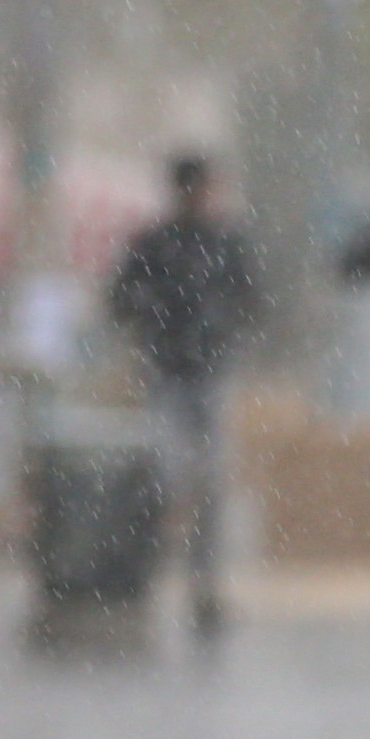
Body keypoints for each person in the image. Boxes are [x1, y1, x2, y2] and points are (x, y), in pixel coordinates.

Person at [107, 151, 264, 638]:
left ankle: (205, 587)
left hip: (208, 376)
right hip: (168, 378)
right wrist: (153, 311)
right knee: (164, 480)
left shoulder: (224, 242)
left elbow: (253, 299)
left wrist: (220, 318)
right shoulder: (155, 244)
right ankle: (145, 575)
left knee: (210, 487)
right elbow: (119, 299)